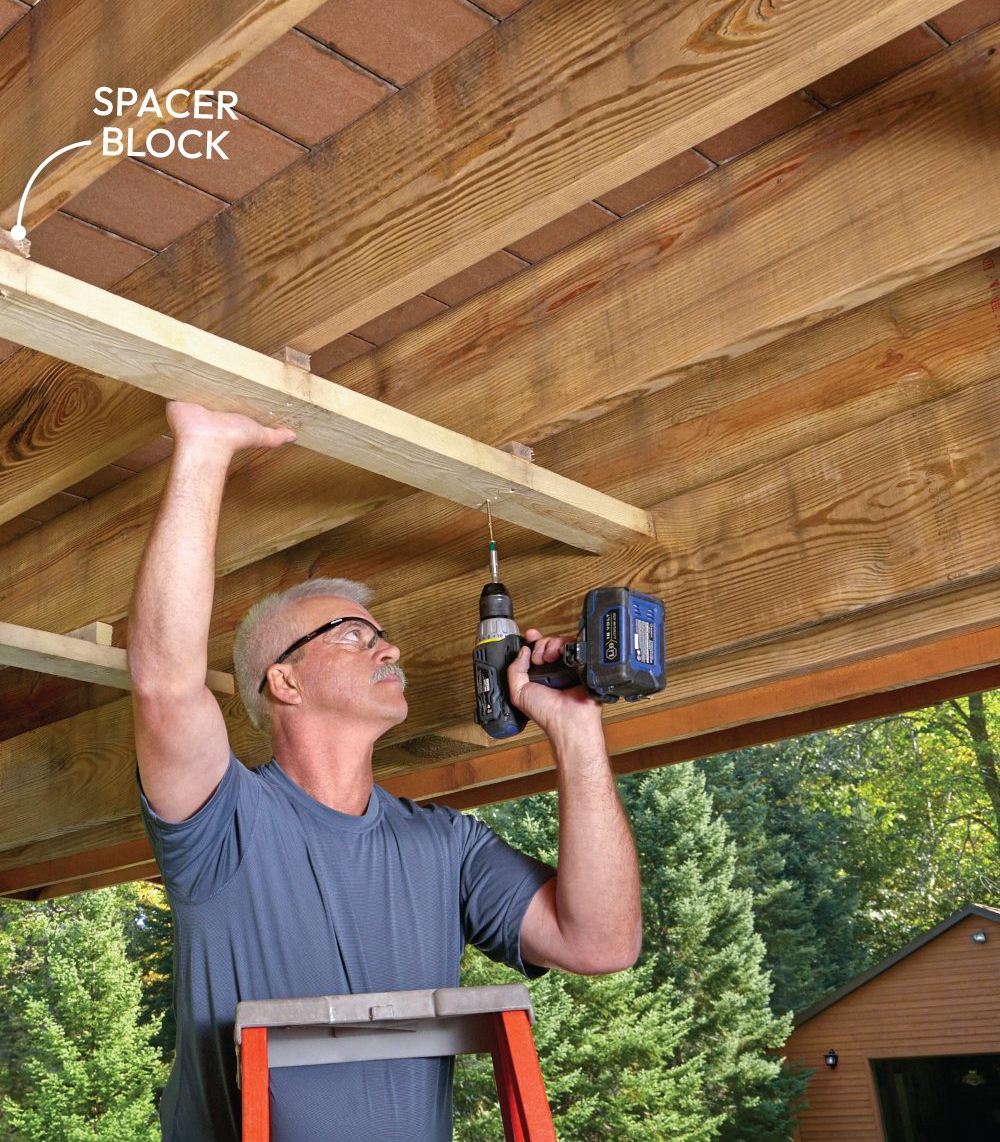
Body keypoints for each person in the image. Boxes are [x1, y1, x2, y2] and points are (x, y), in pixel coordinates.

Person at [128, 401, 643, 1142]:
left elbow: (602, 944)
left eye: (384, 637)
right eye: (354, 636)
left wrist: (578, 728)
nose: (390, 650)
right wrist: (206, 448)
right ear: (285, 682)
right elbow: (164, 684)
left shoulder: (449, 848)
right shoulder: (222, 822)